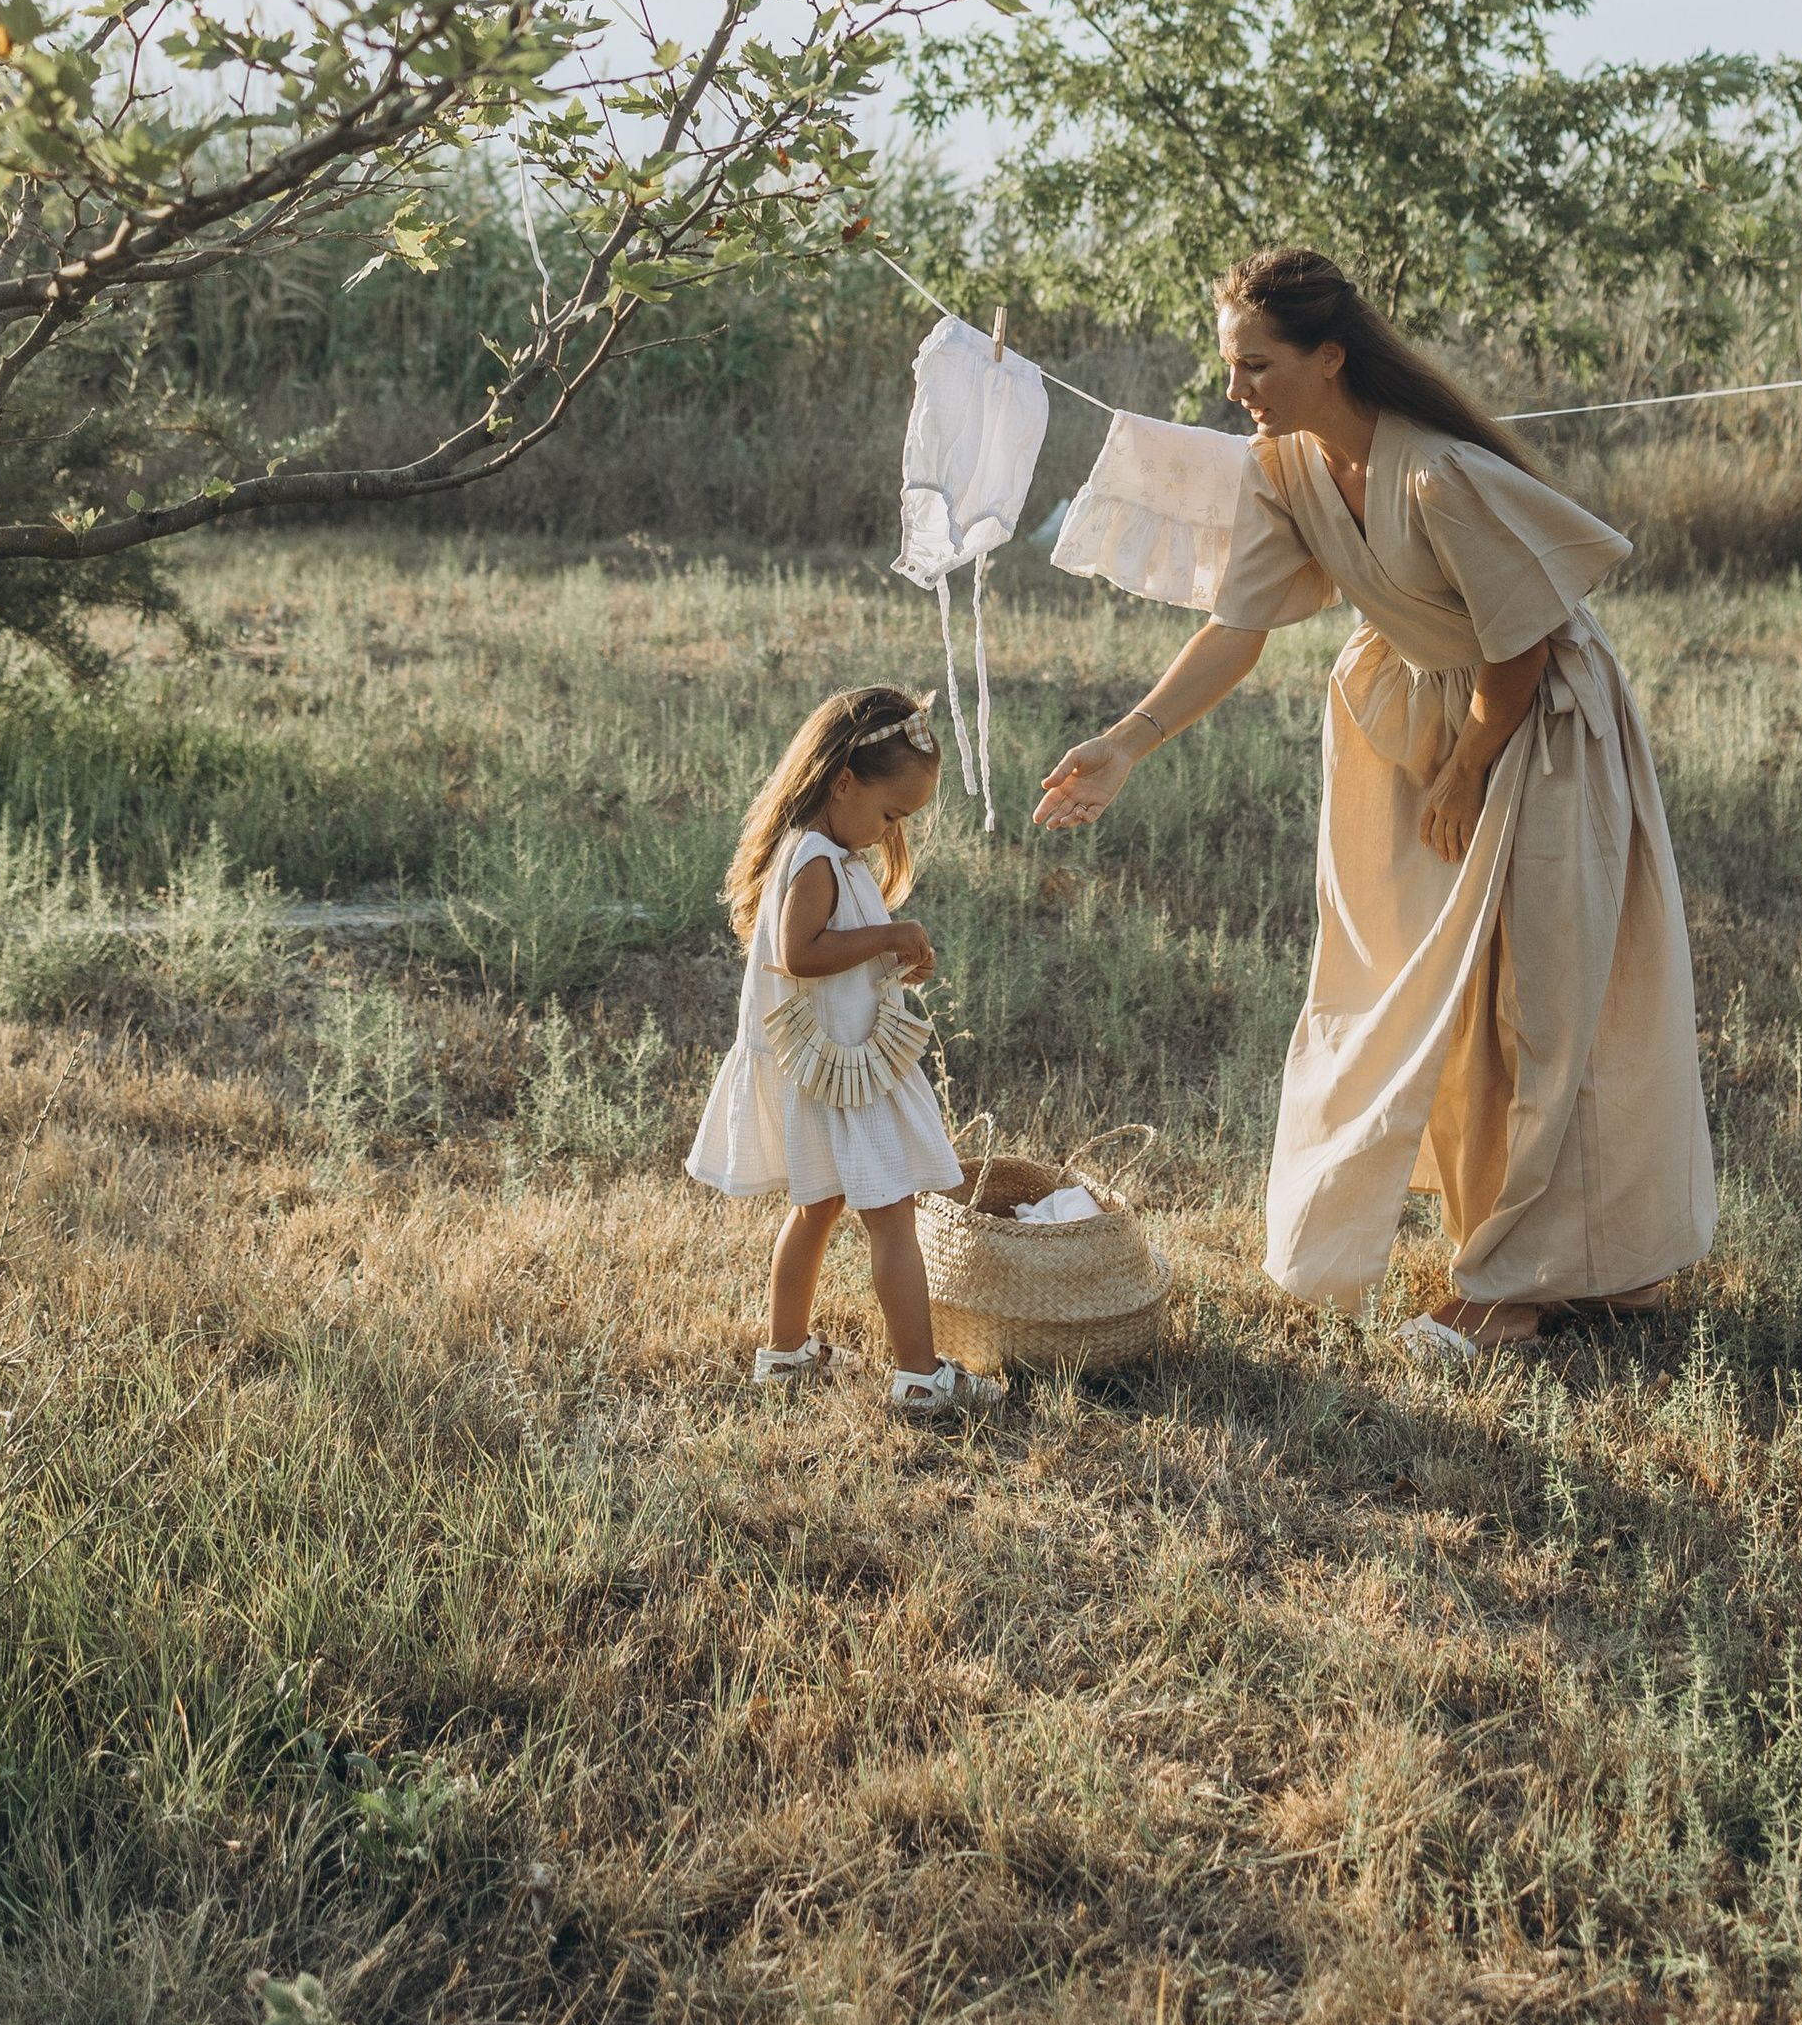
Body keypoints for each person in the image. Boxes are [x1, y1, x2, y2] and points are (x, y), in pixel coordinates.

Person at [1037, 247, 1715, 1368]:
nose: (1235, 389)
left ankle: (1527, 1287)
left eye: (1255, 365)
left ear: (1328, 357)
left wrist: (1468, 769)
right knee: (1423, 985)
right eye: (1230, 364)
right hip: (1415, 722)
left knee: (1550, 993)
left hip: (1537, 725)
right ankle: (1536, 1246)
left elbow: (1526, 641)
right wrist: (1124, 742)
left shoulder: (1435, 474)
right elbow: (1234, 631)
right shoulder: (1282, 468)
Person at [688, 684, 1004, 1427]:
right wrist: (891, 937)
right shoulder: (818, 859)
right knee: (891, 1217)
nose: (889, 830)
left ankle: (785, 1352)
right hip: (839, 1075)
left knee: (817, 1208)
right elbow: (803, 954)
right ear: (843, 781)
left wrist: (889, 961)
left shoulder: (825, 849)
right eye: (891, 813)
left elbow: (834, 957)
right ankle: (921, 1376)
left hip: (830, 1063)